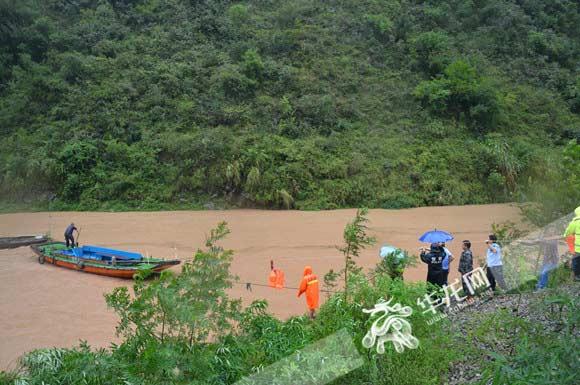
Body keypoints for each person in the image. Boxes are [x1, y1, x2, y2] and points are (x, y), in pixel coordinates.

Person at [564, 206, 580, 281]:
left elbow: (567, 233)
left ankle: (576, 276)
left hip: (577, 249)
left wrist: (565, 235)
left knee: (575, 263)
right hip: (575, 249)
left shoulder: (575, 222)